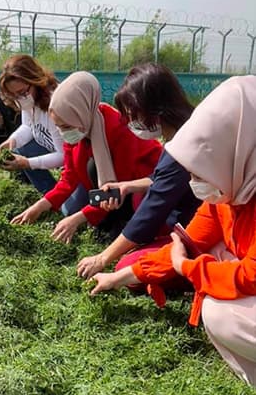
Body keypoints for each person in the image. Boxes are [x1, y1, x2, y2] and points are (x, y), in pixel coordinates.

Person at [90, 75, 256, 387]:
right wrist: (114, 278)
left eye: (199, 170)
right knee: (215, 257)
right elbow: (190, 241)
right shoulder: (228, 192)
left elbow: (249, 273)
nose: (194, 180)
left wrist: (188, 268)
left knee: (219, 313)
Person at [77, 63, 201, 281]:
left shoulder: (184, 145)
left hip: (196, 228)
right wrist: (127, 186)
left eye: (134, 115)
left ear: (155, 107)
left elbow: (150, 213)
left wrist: (102, 258)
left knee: (127, 265)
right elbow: (162, 179)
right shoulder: (182, 131)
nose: (131, 123)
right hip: (184, 219)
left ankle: (192, 266)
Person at [11, 71, 163, 243]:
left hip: (143, 184)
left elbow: (117, 187)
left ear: (80, 112)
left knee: (92, 172)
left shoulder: (119, 129)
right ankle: (106, 218)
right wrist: (40, 206)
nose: (63, 133)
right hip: (112, 188)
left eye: (66, 126)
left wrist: (79, 218)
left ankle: (122, 219)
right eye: (59, 127)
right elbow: (69, 177)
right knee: (71, 208)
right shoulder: (76, 127)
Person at [0, 54, 64, 194]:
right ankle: (49, 193)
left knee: (71, 210)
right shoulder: (30, 102)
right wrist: (12, 140)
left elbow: (64, 156)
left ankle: (60, 197)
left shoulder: (55, 104)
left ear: (35, 81)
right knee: (22, 148)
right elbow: (28, 126)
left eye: (22, 92)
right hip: (54, 152)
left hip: (75, 162)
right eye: (13, 95)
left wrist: (28, 163)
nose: (19, 99)